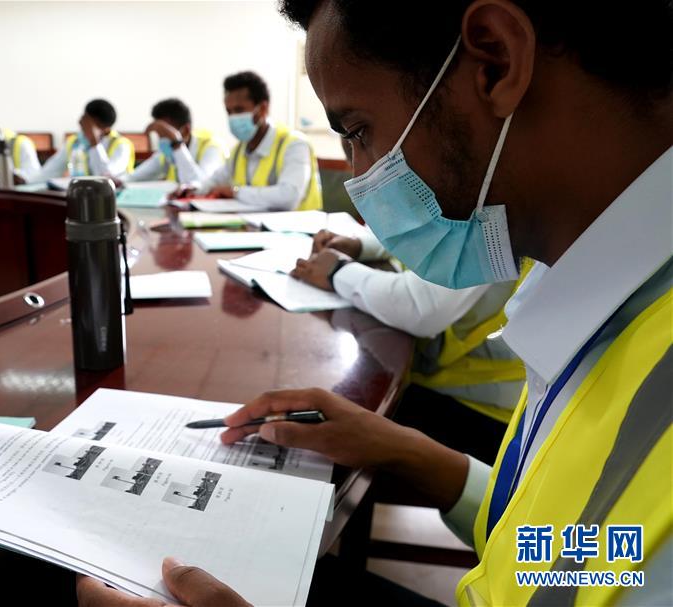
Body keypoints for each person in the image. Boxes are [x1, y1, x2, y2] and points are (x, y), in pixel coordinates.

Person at [77, 0, 671, 605]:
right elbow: (569, 553)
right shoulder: (595, 293)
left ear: (496, 61)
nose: (360, 177)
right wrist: (401, 449)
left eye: (358, 132)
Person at [291, 228, 532, 462]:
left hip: (483, 414)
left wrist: (337, 272)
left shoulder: (493, 221)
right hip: (446, 382)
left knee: (331, 434)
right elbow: (433, 239)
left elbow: (421, 307)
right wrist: (362, 245)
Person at [182, 71, 323, 211]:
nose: (232, 118)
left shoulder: (294, 145)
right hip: (253, 223)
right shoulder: (239, 150)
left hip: (299, 224)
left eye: (239, 110)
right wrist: (194, 188)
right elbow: (215, 180)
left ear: (263, 108)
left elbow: (289, 197)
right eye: (229, 112)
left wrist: (236, 192)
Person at [123, 98, 225, 184]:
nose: (162, 139)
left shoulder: (211, 147)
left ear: (186, 130)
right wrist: (119, 181)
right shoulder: (167, 151)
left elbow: (200, 184)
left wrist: (176, 143)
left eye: (165, 133)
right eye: (159, 134)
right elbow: (135, 176)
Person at [35, 99, 134, 181]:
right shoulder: (74, 142)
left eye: (89, 124)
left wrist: (94, 141)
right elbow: (49, 171)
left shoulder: (122, 145)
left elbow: (105, 177)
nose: (83, 126)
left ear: (106, 127)